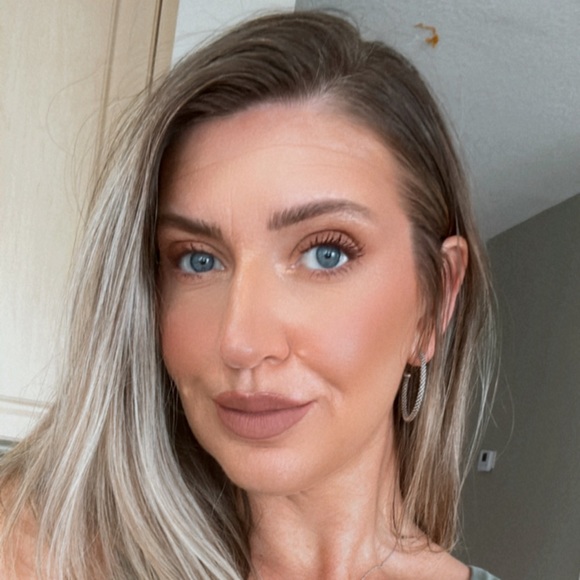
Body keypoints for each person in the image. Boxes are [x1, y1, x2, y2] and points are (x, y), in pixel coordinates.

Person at [0, 10, 500, 579]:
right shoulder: (38, 546)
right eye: (198, 259)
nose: (240, 342)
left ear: (434, 301)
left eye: (326, 253)